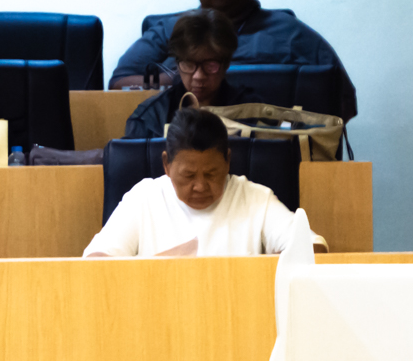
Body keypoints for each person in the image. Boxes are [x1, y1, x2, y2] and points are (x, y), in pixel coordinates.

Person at [109, 0, 358, 120]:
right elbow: (119, 84)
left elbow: (344, 99)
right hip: (184, 147)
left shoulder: (290, 33)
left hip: (266, 145)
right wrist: (181, 78)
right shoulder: (172, 30)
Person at [86, 107, 325, 258]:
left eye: (211, 174)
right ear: (166, 165)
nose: (200, 186)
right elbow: (97, 260)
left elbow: (315, 248)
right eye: (188, 176)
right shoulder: (144, 198)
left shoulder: (255, 198)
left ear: (228, 162)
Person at [123, 10, 254, 139]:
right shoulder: (150, 118)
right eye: (189, 64)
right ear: (177, 64)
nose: (199, 76)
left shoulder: (253, 111)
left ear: (226, 64)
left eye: (210, 65)